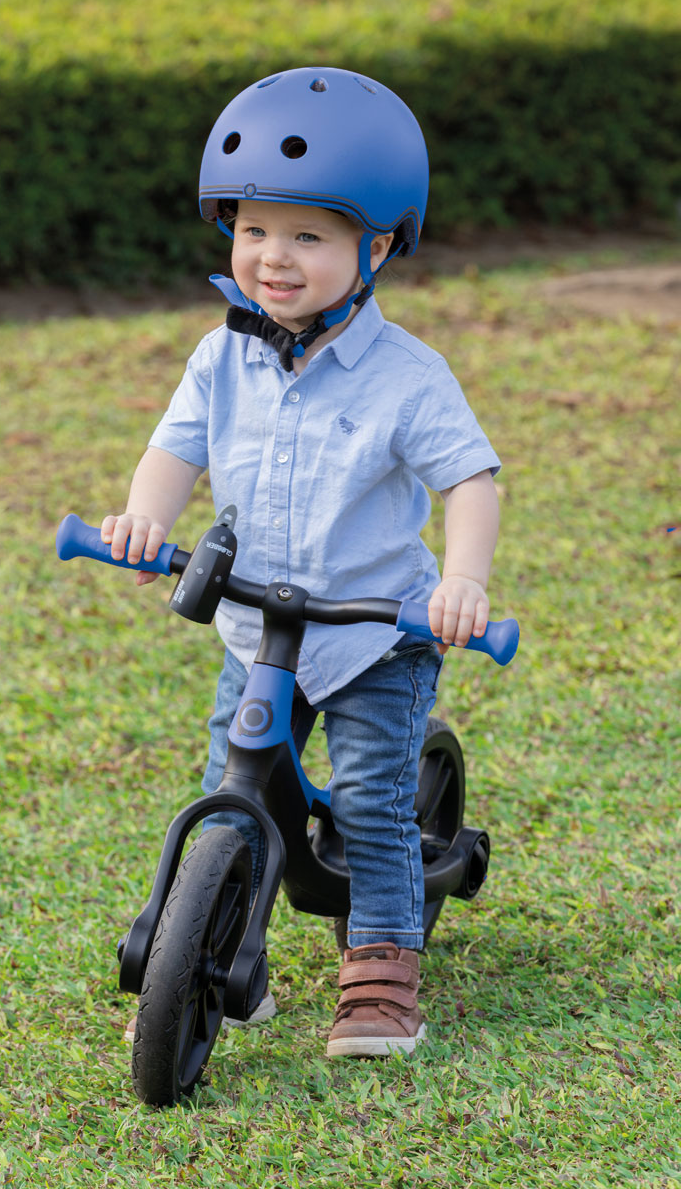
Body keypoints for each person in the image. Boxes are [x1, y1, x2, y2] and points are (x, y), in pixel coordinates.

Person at [103, 67, 500, 1058]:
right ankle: (223, 941)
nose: (272, 258)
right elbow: (174, 449)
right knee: (230, 786)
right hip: (254, 626)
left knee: (369, 797)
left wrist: (461, 582)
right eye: (253, 231)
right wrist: (144, 517)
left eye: (308, 236)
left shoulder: (408, 376)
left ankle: (379, 974)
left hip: (374, 633)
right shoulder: (218, 355)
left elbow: (470, 480)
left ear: (374, 249)